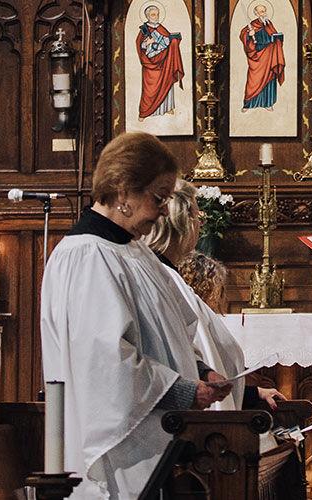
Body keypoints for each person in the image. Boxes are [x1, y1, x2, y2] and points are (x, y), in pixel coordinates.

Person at [41, 132, 239, 499]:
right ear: (121, 190)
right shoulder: (86, 257)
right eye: (159, 197)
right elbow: (103, 361)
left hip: (157, 435)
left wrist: (200, 371)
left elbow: (172, 332)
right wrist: (181, 390)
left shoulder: (134, 251)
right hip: (122, 447)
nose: (165, 209)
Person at [141, 177, 283, 411]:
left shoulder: (165, 275)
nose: (200, 225)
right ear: (182, 222)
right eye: (199, 217)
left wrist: (249, 394)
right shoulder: (165, 279)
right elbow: (187, 359)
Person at [137, 4, 186, 119]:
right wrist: (147, 43)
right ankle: (145, 112)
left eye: (157, 14)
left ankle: (167, 108)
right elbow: (140, 45)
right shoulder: (144, 30)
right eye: (153, 14)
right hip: (150, 65)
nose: (156, 17)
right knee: (149, 90)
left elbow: (168, 39)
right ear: (147, 16)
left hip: (164, 63)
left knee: (166, 83)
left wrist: (173, 41)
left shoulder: (161, 28)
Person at [240, 3, 285, 111]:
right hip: (258, 56)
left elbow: (274, 35)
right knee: (253, 80)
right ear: (256, 13)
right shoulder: (252, 25)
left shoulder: (268, 24)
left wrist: (277, 39)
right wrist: (249, 35)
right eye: (261, 11)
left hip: (270, 56)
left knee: (269, 78)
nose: (264, 13)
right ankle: (248, 104)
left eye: (264, 11)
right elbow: (243, 35)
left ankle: (267, 103)